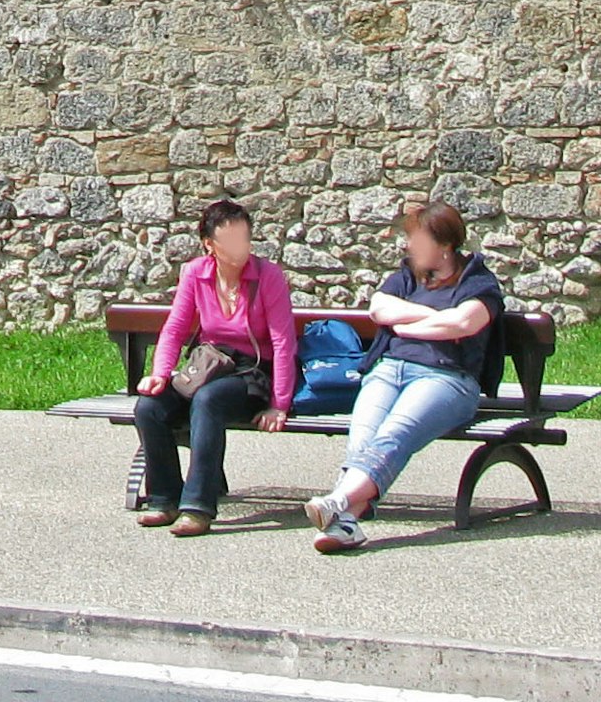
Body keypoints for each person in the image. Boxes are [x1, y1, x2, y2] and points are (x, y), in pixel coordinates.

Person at [305, 196, 507, 554]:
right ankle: (346, 521)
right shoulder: (406, 276)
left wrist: (408, 325)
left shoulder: (479, 282)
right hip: (388, 370)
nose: (408, 245)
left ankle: (337, 501)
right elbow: (380, 309)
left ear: (443, 245)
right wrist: (431, 320)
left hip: (446, 379)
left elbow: (463, 322)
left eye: (416, 238)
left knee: (394, 434)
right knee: (363, 440)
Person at [129, 197, 295, 536]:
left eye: (245, 238)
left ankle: (198, 506)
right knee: (149, 407)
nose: (240, 247)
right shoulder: (195, 272)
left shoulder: (268, 276)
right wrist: (161, 375)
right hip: (209, 365)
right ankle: (164, 498)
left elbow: (283, 342)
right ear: (210, 244)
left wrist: (279, 404)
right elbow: (175, 328)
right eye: (230, 239)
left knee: (208, 400)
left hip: (252, 372)